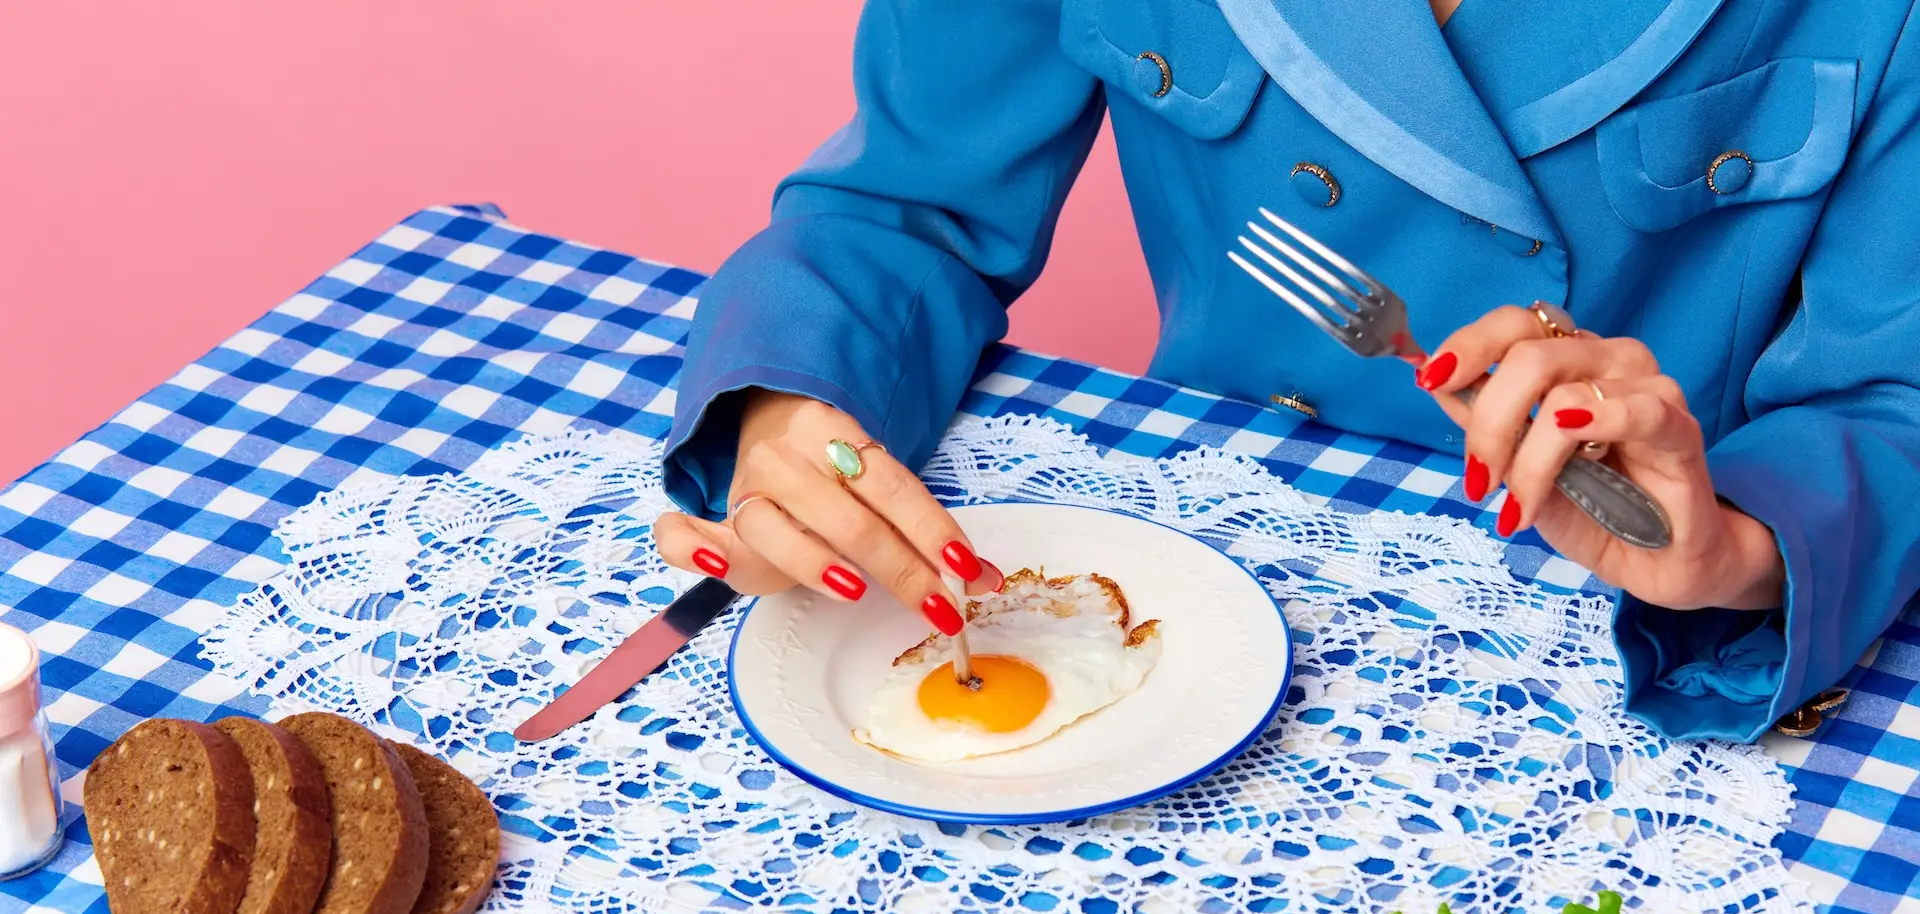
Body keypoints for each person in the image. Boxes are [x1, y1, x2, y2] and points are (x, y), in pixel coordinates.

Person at [650, 0, 1920, 743]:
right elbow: (899, 210)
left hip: (1624, 651)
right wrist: (786, 409)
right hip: (1185, 592)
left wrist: (1741, 546)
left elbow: (1895, 395)